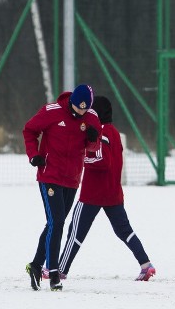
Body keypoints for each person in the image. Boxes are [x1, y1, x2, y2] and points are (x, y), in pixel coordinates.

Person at [54, 95, 156, 282]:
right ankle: (146, 265)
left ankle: (60, 270)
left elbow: (102, 161)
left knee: (75, 233)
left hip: (93, 193)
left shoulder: (100, 131)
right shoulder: (114, 132)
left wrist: (82, 160)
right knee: (124, 230)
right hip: (113, 192)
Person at [23, 84, 102, 291]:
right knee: (57, 221)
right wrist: (34, 155)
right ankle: (54, 272)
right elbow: (29, 130)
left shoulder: (92, 118)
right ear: (72, 102)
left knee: (54, 223)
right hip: (49, 175)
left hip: (73, 178)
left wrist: (93, 139)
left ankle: (35, 265)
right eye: (77, 108)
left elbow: (93, 148)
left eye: (85, 109)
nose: (81, 112)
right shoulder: (53, 111)